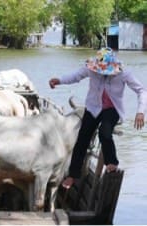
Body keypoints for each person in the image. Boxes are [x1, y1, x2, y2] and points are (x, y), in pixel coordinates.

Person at [49, 47, 147, 189]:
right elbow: (75, 76)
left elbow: (141, 90)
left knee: (104, 133)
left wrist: (140, 111)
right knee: (82, 138)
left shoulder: (124, 72)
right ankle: (72, 175)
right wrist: (59, 80)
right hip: (94, 107)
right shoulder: (91, 67)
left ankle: (111, 162)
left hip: (112, 108)